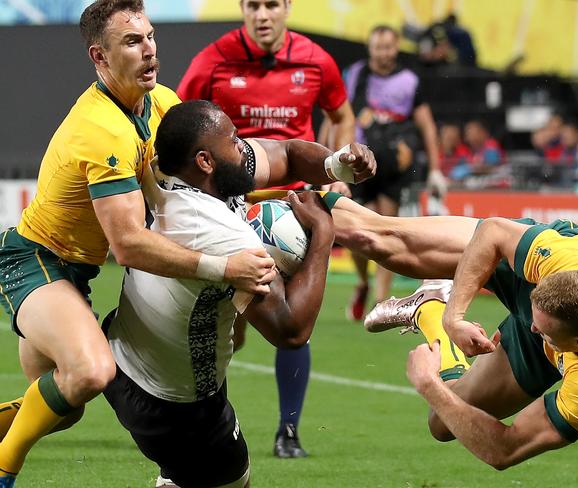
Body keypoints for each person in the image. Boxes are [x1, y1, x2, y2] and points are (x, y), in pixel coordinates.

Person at [0, 0, 361, 483]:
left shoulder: (162, 104)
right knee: (90, 373)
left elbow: (260, 158)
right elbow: (127, 245)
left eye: (150, 37)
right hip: (35, 260)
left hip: (76, 273)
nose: (149, 50)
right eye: (132, 42)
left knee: (65, 407)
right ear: (99, 57)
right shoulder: (99, 131)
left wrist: (336, 165)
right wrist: (223, 268)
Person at [103, 100, 347, 488]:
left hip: (122, 356)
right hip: (175, 403)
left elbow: (285, 153)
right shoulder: (218, 232)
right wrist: (323, 236)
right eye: (234, 140)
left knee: (185, 476)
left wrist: (337, 165)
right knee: (235, 481)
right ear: (204, 162)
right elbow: (291, 330)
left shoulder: (160, 171)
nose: (242, 146)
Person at [327, 199, 578, 469]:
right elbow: (493, 231)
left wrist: (429, 385)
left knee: (442, 423)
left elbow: (503, 450)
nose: (534, 329)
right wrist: (457, 317)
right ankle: (285, 185)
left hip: (552, 345)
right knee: (374, 239)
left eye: (542, 330)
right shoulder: (567, 259)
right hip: (536, 278)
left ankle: (431, 309)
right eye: (535, 322)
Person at [176, 0, 356, 458]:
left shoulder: (316, 60)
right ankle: (212, 422)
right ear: (242, 9)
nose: (262, 14)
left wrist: (339, 168)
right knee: (228, 329)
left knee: (298, 318)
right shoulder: (212, 61)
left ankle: (288, 431)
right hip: (232, 206)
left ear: (287, 8)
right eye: (253, 5)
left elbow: (341, 114)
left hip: (295, 206)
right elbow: (180, 122)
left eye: (271, 4)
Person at [340, 25, 443, 322]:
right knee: (355, 233)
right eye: (378, 47)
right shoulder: (355, 75)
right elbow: (339, 114)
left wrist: (436, 169)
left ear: (396, 47)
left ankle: (381, 301)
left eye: (388, 47)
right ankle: (362, 282)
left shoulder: (410, 81)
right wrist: (326, 154)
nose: (383, 53)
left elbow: (427, 126)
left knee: (384, 229)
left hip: (395, 164)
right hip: (359, 162)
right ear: (369, 48)